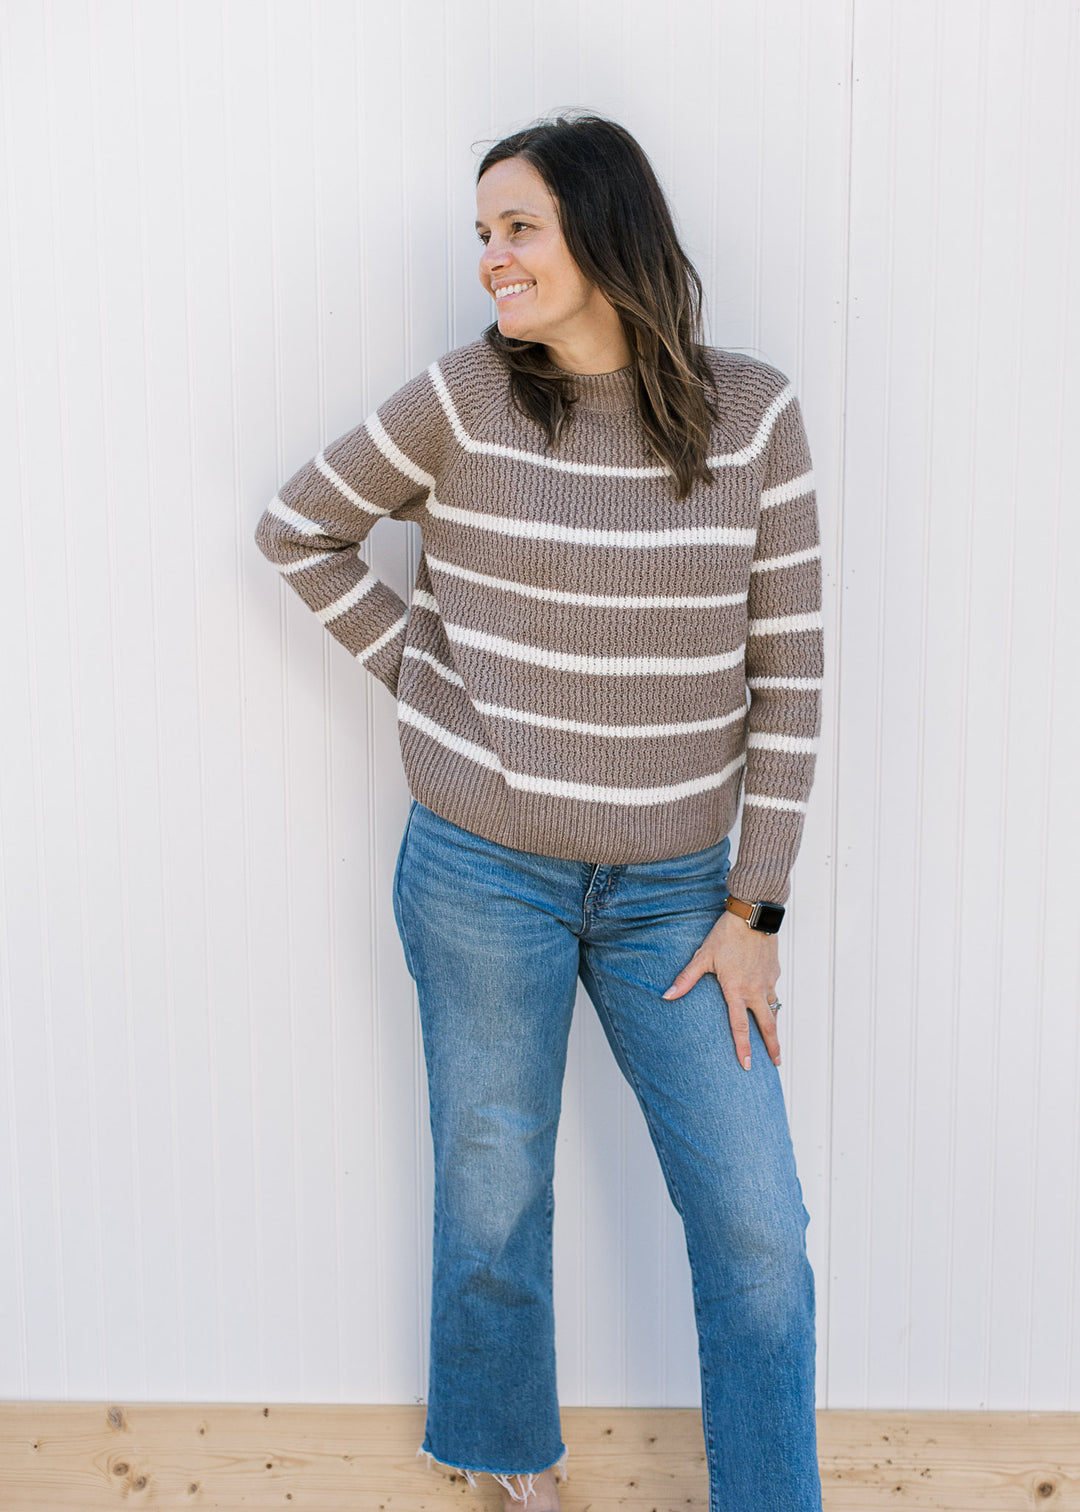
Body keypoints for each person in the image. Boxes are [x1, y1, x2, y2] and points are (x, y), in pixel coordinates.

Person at [254, 111, 824, 1512]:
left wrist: (756, 908)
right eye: (483, 236)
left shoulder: (754, 415)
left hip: (680, 899)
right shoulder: (462, 400)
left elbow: (791, 680)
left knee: (759, 1230)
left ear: (604, 228)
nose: (493, 261)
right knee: (494, 1195)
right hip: (479, 875)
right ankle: (513, 1464)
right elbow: (298, 529)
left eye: (518, 227)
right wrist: (432, 684)